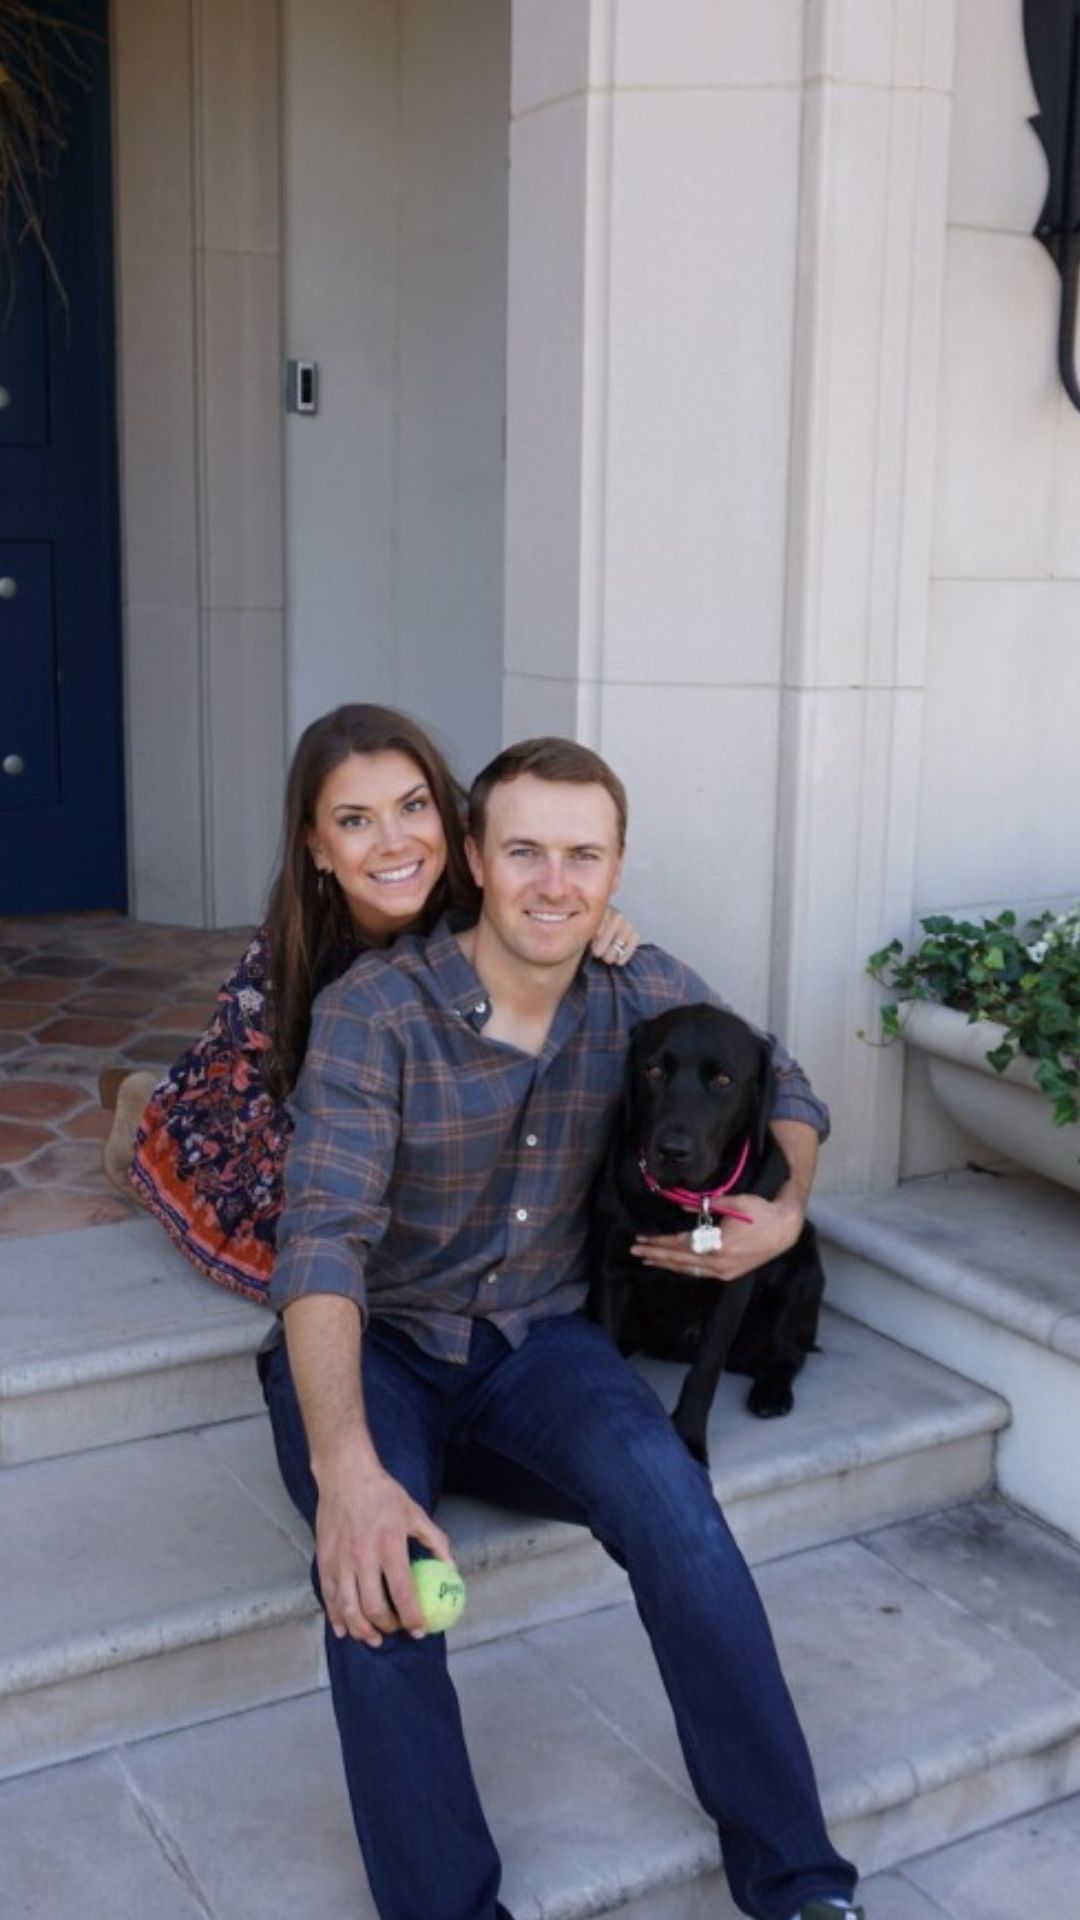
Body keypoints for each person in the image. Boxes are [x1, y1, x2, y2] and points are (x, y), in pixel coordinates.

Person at [261, 736, 865, 1920]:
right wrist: (349, 1472)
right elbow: (321, 1239)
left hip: (540, 1349)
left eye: (582, 854)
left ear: (617, 866)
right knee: (385, 1579)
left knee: (677, 1507)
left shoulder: (637, 985)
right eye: (524, 849)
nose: (554, 881)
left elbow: (787, 1083)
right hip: (384, 1346)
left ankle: (801, 1887)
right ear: (473, 859)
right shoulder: (376, 1011)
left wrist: (783, 1214)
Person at [102, 705, 638, 1303]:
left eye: (413, 807)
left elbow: (555, 884)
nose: (394, 843)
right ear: (320, 848)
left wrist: (580, 922)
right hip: (291, 1098)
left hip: (421, 1108)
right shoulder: (298, 949)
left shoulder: (484, 879)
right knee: (311, 1233)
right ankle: (144, 1115)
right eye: (355, 821)